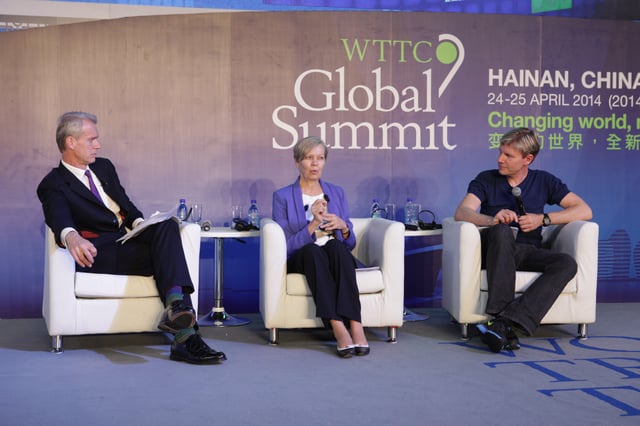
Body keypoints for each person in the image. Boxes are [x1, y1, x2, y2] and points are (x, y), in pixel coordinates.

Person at [37, 111, 226, 365]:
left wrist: (142, 225)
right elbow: (58, 216)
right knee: (167, 256)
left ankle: (177, 312)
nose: (98, 145)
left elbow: (126, 205)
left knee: (167, 227)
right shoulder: (53, 183)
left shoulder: (104, 167)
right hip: (100, 252)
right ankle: (185, 334)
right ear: (71, 142)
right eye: (92, 139)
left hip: (128, 241)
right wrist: (71, 237)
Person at [453, 127, 592, 353]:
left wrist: (543, 219)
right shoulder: (486, 179)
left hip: (527, 251)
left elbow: (584, 209)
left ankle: (503, 323)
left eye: (508, 155)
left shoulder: (544, 181)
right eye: (500, 152)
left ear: (527, 159)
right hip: (495, 251)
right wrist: (492, 220)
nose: (500, 159)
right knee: (502, 231)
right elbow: (462, 212)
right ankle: (499, 317)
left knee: (566, 263)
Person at [272, 136, 369, 358]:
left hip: (333, 252)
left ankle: (356, 324)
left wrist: (344, 228)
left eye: (320, 158)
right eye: (309, 158)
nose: (315, 164)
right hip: (302, 257)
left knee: (337, 248)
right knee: (313, 251)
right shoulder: (282, 197)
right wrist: (314, 224)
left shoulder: (336, 192)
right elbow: (286, 246)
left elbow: (350, 243)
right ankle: (337, 326)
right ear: (298, 162)